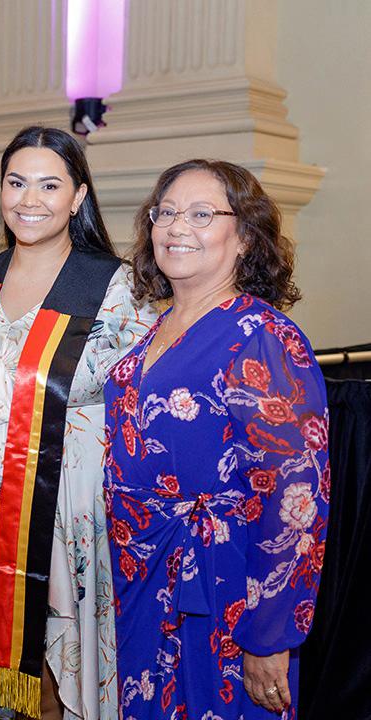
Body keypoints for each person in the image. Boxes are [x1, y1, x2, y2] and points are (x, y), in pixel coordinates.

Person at [102, 159, 329, 719]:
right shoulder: (155, 330)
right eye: (168, 213)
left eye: (202, 214)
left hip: (225, 592)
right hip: (144, 582)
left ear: (246, 237)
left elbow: (295, 497)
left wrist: (270, 635)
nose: (178, 227)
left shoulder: (263, 338)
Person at [0, 126, 156, 720]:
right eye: (15, 183)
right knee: (1, 672)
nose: (29, 199)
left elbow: (140, 402)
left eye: (49, 184)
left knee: (65, 671)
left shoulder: (115, 285)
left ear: (78, 197)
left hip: (71, 507)